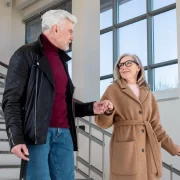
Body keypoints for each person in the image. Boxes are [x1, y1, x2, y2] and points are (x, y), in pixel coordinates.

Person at [1, 10, 113, 180]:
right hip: (38, 135)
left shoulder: (62, 60)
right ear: (55, 29)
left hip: (65, 134)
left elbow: (61, 99)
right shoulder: (25, 54)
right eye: (70, 31)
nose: (72, 37)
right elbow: (11, 101)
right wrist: (15, 138)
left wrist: (91, 107)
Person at [95, 53, 180, 180]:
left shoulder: (148, 93)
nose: (123, 67)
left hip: (148, 148)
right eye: (121, 65)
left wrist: (174, 148)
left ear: (138, 67)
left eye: (128, 63)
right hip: (126, 150)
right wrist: (108, 111)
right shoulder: (113, 89)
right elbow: (102, 122)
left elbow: (156, 127)